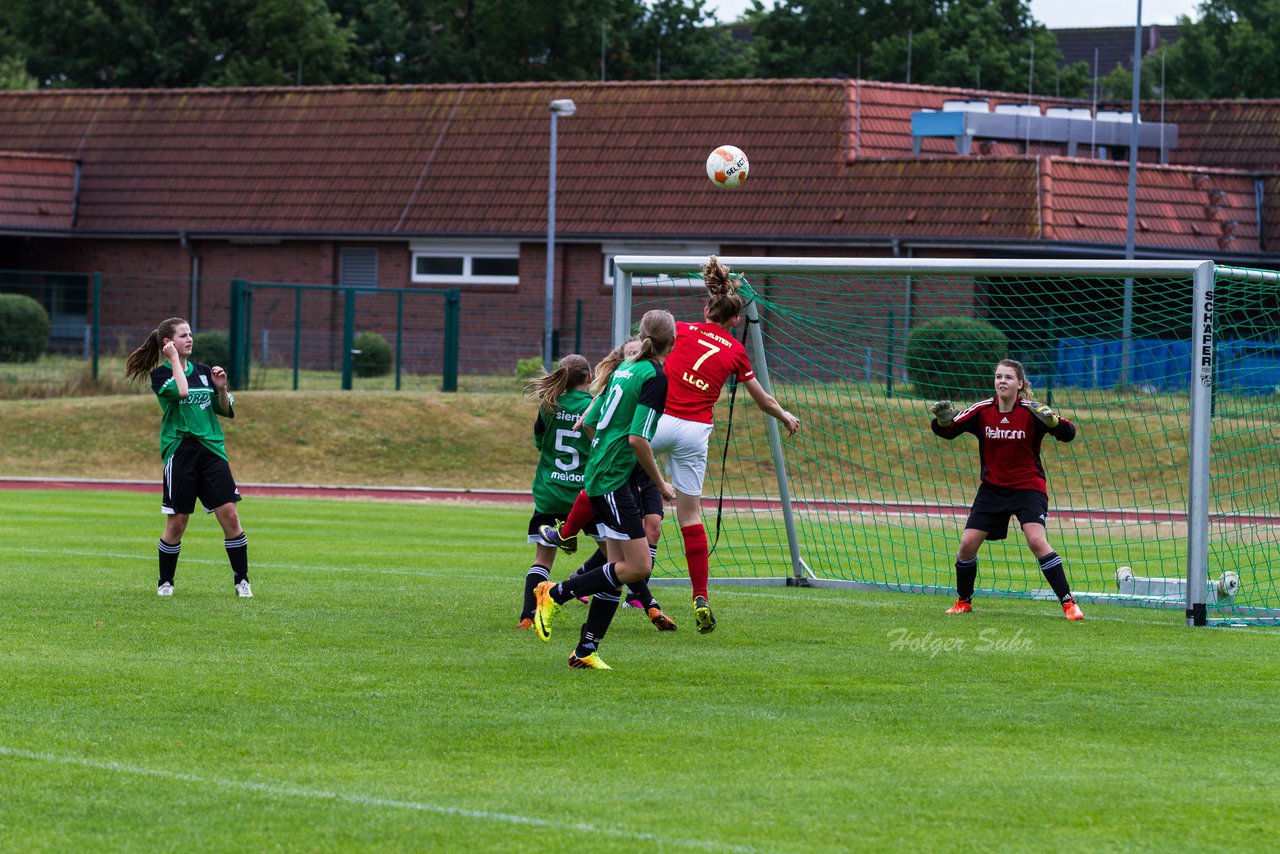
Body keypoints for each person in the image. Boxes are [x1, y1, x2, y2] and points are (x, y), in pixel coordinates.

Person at [647, 255, 800, 634]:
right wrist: (785, 417)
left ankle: (566, 531)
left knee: (611, 463)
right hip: (695, 432)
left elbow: (643, 355)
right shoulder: (735, 351)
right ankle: (701, 596)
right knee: (690, 517)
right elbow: (763, 399)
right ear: (735, 321)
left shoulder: (679, 330)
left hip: (659, 421)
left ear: (706, 308)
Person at [533, 310, 678, 669]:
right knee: (638, 566)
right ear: (671, 342)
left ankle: (585, 651)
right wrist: (661, 484)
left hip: (605, 474)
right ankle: (555, 593)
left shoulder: (625, 368)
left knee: (615, 568)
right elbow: (637, 439)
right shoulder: (654, 376)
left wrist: (603, 450)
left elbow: (589, 421)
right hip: (614, 479)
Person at [929, 358, 1084, 621]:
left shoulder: (1032, 411)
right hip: (992, 490)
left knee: (1036, 541)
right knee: (966, 545)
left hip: (1028, 488)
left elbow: (1069, 433)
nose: (1003, 381)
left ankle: (1069, 603)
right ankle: (963, 601)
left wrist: (1053, 422)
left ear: (1020, 384)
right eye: (999, 376)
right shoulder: (982, 410)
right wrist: (943, 422)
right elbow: (949, 430)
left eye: (1009, 377)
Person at [124, 317, 251, 598]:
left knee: (230, 515)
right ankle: (165, 582)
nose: (190, 339)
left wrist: (220, 388)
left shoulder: (205, 371)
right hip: (180, 451)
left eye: (191, 334)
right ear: (168, 343)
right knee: (178, 522)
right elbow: (181, 390)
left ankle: (242, 581)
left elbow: (226, 410)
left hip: (212, 451)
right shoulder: (160, 377)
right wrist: (173, 362)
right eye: (183, 335)